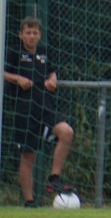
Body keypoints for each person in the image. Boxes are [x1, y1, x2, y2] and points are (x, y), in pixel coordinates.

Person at [3, 16, 76, 207]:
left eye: (35, 32)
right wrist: (17, 78)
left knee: (67, 132)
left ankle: (54, 178)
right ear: (21, 34)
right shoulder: (14, 53)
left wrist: (52, 79)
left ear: (39, 35)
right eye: (28, 32)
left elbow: (52, 71)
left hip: (45, 107)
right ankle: (29, 201)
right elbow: (4, 72)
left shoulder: (44, 53)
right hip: (25, 110)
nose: (31, 36)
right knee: (28, 156)